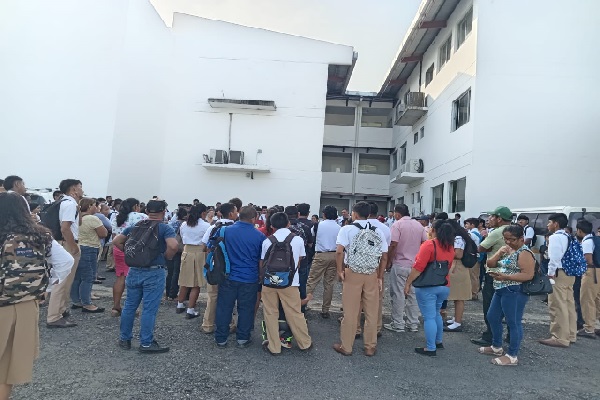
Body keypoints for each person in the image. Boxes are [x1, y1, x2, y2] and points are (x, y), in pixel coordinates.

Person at [0, 192, 74, 400]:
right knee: (6, 369)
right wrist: (45, 287)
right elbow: (65, 262)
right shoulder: (39, 235)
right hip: (23, 305)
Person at [113, 200, 178, 353]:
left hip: (134, 270)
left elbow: (116, 241)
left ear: (147, 211)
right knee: (149, 309)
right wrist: (166, 257)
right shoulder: (164, 228)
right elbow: (174, 246)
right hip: (154, 271)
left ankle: (124, 339)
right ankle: (146, 343)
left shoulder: (135, 226)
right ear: (163, 211)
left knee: (129, 306)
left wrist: (132, 254)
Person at [333, 202, 388, 357]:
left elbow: (339, 252)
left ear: (355, 214)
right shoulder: (378, 231)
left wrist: (340, 270)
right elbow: (384, 256)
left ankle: (347, 346)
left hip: (353, 273)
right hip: (372, 273)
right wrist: (380, 276)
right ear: (369, 214)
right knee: (371, 312)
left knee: (350, 311)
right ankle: (370, 347)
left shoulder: (347, 229)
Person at [479, 225, 535, 366]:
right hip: (501, 288)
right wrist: (499, 253)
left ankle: (512, 355)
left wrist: (504, 277)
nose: (509, 242)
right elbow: (490, 263)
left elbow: (528, 275)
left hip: (515, 290)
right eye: (506, 239)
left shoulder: (524, 253)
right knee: (492, 316)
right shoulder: (507, 249)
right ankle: (496, 347)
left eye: (512, 239)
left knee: (513, 322)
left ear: (521, 238)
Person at [260, 212, 312, 355]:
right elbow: (300, 261)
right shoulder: (297, 240)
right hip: (290, 282)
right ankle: (304, 343)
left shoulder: (267, 241)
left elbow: (262, 263)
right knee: (295, 313)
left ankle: (274, 347)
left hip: (269, 282)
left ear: (271, 226)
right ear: (288, 223)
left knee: (270, 313)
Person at [214, 206, 265, 348]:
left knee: (224, 307)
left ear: (238, 216)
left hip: (228, 275)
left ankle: (221, 338)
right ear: (254, 218)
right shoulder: (259, 236)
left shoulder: (225, 230)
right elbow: (261, 260)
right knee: (246, 309)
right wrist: (260, 276)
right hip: (250, 278)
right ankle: (242, 338)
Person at [404, 219, 455, 356]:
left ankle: (430, 347)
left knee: (429, 317)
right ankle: (438, 341)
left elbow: (418, 267)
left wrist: (408, 283)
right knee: (436, 313)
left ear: (433, 230)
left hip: (427, 286)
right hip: (444, 285)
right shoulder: (450, 247)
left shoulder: (429, 245)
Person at [470, 206, 512, 346]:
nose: (489, 219)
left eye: (492, 217)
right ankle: (511, 335)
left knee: (490, 306)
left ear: (499, 219)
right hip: (511, 274)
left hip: (494, 273)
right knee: (509, 306)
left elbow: (481, 248)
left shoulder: (496, 232)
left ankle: (490, 336)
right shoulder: (515, 230)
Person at [46, 179, 84, 328]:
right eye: (80, 187)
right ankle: (54, 316)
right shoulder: (69, 204)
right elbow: (65, 228)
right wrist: (73, 247)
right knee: (62, 281)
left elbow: (78, 223)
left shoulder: (66, 203)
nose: (82, 190)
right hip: (67, 244)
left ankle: (60, 310)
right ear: (74, 189)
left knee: (66, 280)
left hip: (63, 243)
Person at [384, 203, 426, 334]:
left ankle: (398, 323)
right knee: (413, 295)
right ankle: (413, 323)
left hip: (400, 263)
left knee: (398, 294)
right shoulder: (419, 225)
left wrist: (389, 261)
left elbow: (393, 244)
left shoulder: (397, 225)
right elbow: (424, 242)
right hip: (415, 266)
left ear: (397, 214)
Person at [539, 213, 577, 348]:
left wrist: (550, 274)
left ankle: (559, 337)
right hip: (569, 273)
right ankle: (571, 334)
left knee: (557, 305)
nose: (547, 225)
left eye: (549, 222)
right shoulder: (569, 236)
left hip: (558, 274)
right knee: (568, 304)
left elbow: (554, 258)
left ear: (556, 223)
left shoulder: (555, 237)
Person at [200, 202, 238, 334]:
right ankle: (229, 324)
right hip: (232, 267)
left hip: (215, 266)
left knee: (213, 296)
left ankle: (208, 325)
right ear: (232, 213)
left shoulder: (213, 227)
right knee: (230, 298)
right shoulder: (236, 227)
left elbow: (205, 246)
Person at [110, 198, 148, 317]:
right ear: (136, 206)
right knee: (133, 279)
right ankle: (130, 307)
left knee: (120, 277)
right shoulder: (140, 216)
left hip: (118, 248)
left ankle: (115, 306)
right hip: (134, 249)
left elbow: (114, 235)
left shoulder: (116, 217)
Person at [69, 198, 108, 313]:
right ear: (90, 206)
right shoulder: (92, 218)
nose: (97, 208)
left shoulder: (77, 217)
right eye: (96, 205)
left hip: (77, 247)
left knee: (77, 276)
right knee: (88, 276)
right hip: (90, 248)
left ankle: (76, 300)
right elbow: (103, 233)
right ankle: (87, 303)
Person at [304, 205, 341, 317]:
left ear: (324, 214)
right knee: (329, 284)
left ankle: (303, 304)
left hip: (321, 255)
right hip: (334, 255)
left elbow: (312, 236)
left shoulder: (317, 225)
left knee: (312, 281)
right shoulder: (339, 227)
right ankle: (325, 310)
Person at [176, 203, 210, 319]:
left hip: (186, 252)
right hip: (199, 253)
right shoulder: (206, 226)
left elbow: (182, 237)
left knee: (184, 279)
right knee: (196, 283)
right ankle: (190, 309)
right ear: (202, 213)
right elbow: (206, 242)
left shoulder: (184, 224)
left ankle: (180, 304)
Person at [444, 221, 474, 332]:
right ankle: (456, 318)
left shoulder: (458, 239)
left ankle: (457, 322)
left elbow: (458, 254)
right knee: (457, 297)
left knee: (459, 297)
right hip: (459, 268)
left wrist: (446, 251)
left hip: (458, 268)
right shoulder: (461, 237)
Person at [576, 219, 599, 339]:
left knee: (587, 299)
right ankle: (597, 326)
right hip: (598, 270)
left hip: (591, 271)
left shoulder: (587, 242)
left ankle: (589, 328)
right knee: (597, 299)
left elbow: (588, 259)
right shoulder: (596, 239)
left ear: (580, 231)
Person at [165, 207, 187, 301]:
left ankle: (168, 292)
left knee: (170, 272)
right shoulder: (184, 224)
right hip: (178, 249)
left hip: (168, 248)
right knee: (176, 272)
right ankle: (173, 293)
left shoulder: (170, 223)